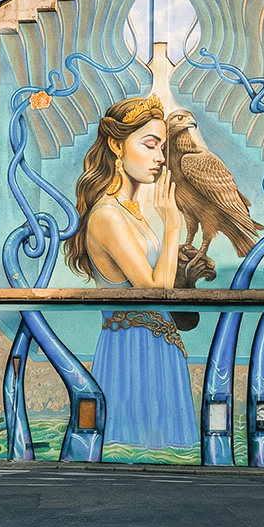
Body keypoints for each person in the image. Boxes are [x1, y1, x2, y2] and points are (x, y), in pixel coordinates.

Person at [65, 93, 199, 450]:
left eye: (163, 147)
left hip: (157, 345)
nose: (160, 158)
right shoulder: (108, 216)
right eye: (150, 145)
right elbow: (153, 291)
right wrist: (173, 228)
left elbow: (164, 284)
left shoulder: (131, 213)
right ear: (116, 145)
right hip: (132, 351)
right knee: (141, 445)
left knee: (166, 449)